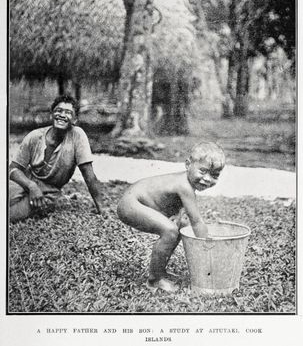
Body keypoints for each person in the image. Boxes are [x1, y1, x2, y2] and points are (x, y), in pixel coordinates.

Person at [117, 141, 225, 292]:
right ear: (188, 165)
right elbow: (197, 221)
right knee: (170, 230)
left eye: (214, 175)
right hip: (130, 204)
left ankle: (160, 271)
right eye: (202, 171)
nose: (207, 179)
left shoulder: (186, 183)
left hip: (135, 201)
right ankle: (154, 280)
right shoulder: (184, 186)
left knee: (180, 225)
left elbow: (185, 216)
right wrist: (208, 249)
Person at [9, 94, 104, 222]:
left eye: (68, 112)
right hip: (25, 182)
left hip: (48, 192)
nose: (62, 115)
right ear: (52, 115)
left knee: (12, 215)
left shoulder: (77, 136)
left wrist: (101, 208)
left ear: (75, 120)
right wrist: (31, 186)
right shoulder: (34, 137)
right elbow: (13, 169)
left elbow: (89, 175)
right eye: (58, 111)